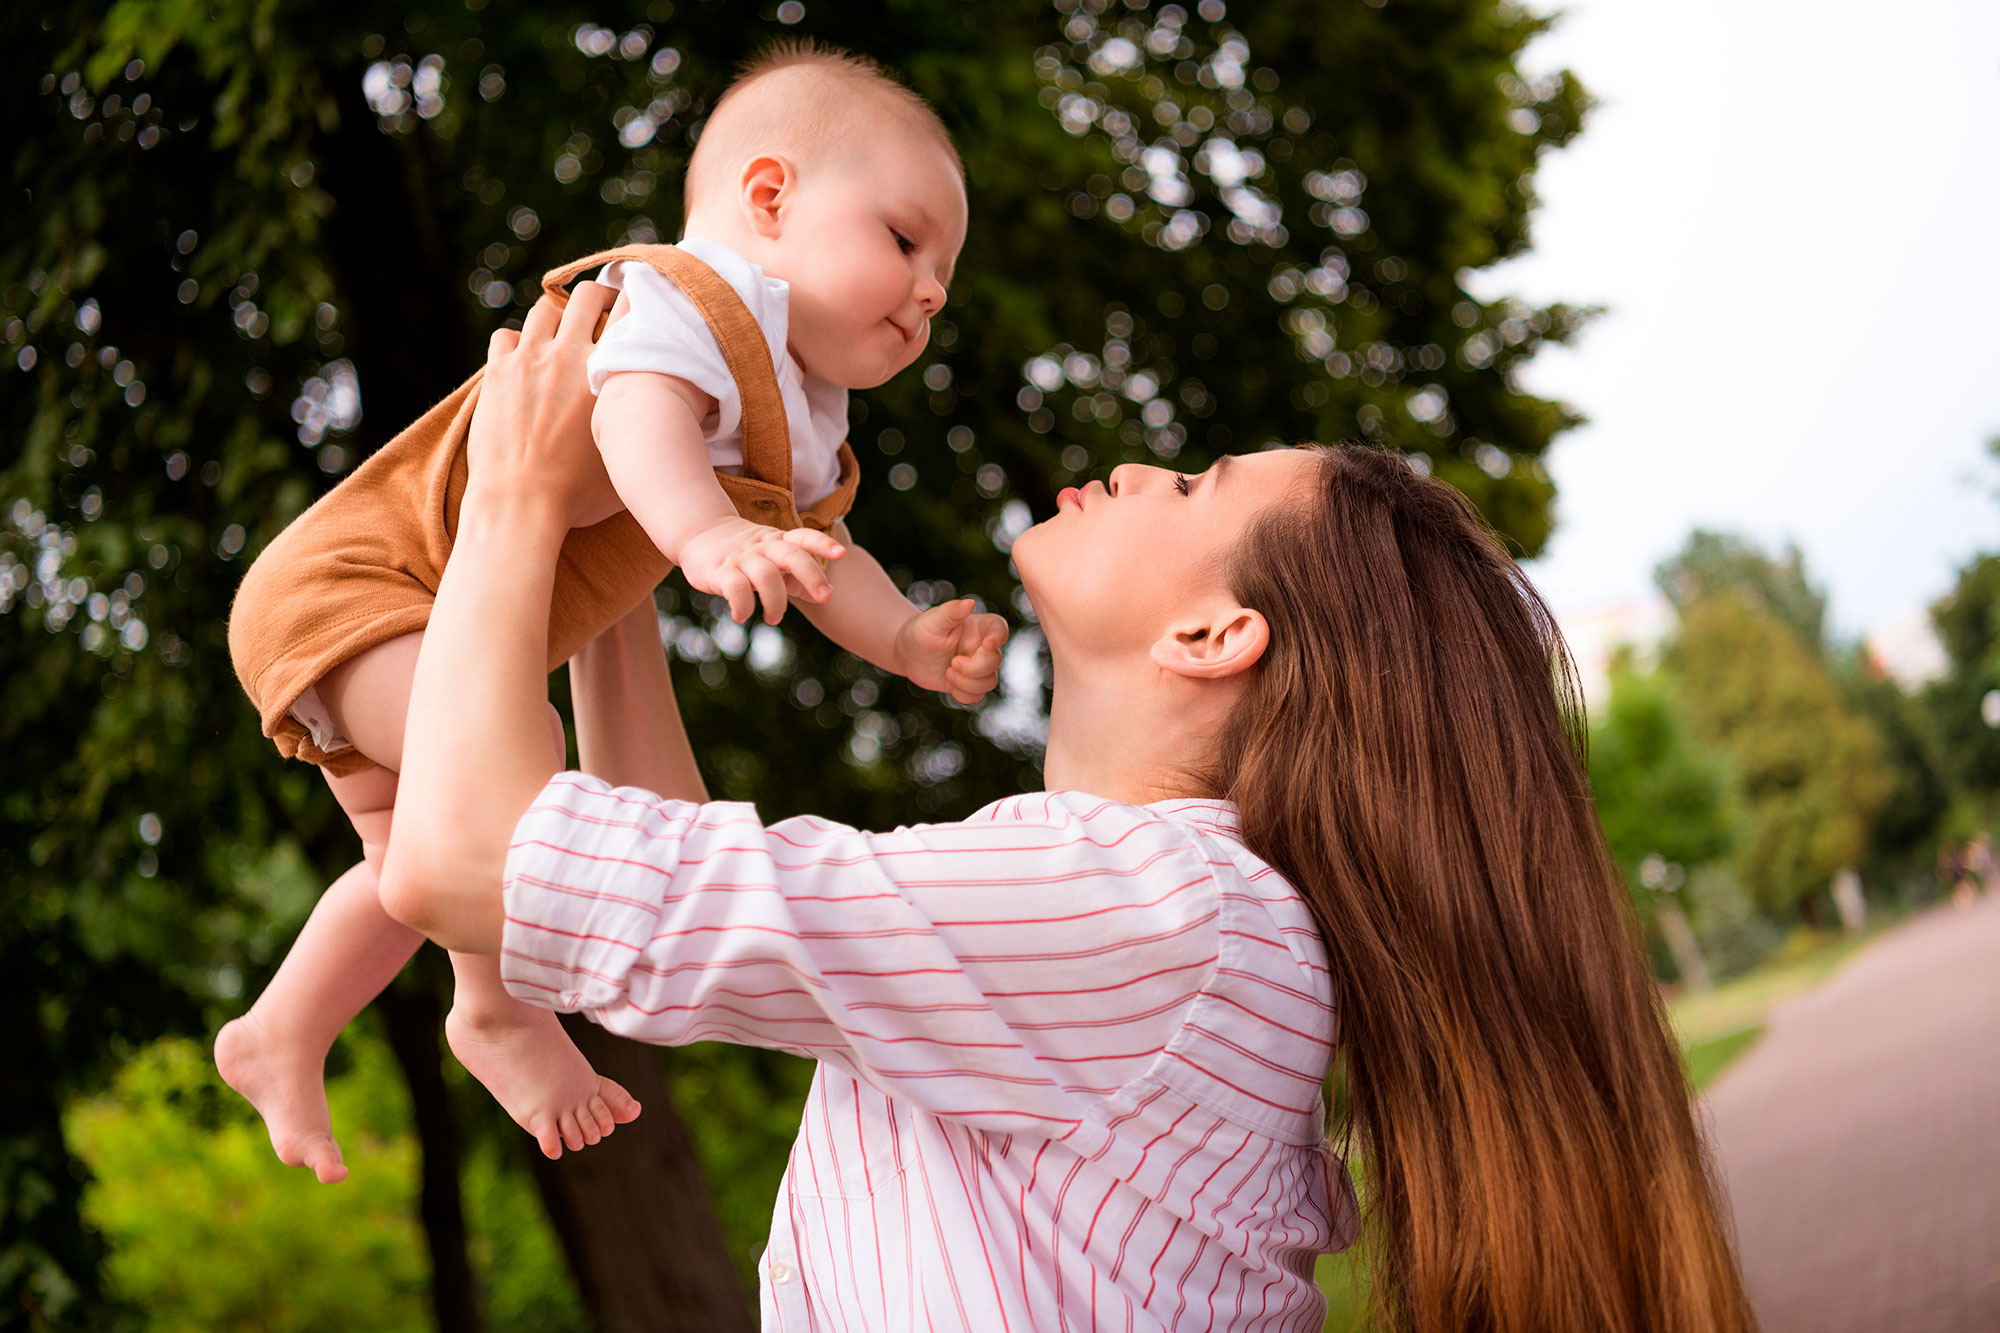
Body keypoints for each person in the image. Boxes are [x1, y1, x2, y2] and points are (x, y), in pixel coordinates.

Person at [378, 288, 1757, 1332]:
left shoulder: (1139, 909)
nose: (1152, 467)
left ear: (1218, 634)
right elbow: (638, 890)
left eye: (1202, 483)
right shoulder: (1164, 918)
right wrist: (606, 582)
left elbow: (460, 860)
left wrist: (513, 489)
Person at [218, 43, 1004, 1183]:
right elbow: (639, 419)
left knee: (411, 865)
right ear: (770, 198)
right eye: (903, 239)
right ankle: (492, 1011)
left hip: (434, 630)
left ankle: (282, 1028)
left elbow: (831, 554)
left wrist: (900, 636)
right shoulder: (691, 300)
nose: (930, 289)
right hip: (356, 587)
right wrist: (705, 536)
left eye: (943, 272)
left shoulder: (810, 421)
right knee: (515, 766)